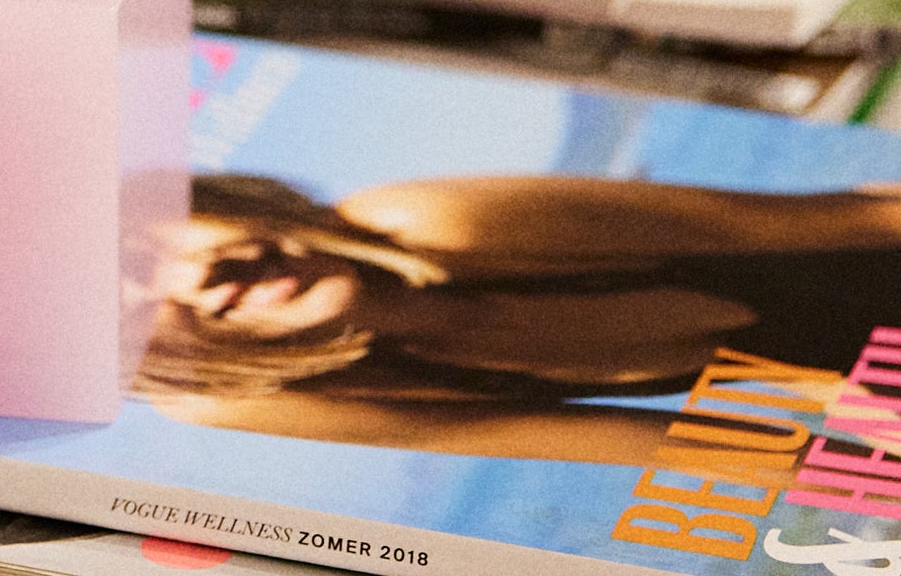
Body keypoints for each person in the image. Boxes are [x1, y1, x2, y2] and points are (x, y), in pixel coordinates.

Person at [141, 164, 901, 467]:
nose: (197, 274)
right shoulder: (269, 391)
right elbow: (691, 447)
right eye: (139, 293)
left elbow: (852, 219)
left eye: (149, 241)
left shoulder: (428, 223)